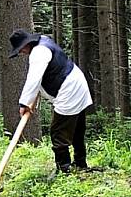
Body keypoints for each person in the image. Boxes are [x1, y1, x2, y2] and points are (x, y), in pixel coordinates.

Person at [9, 29, 93, 173]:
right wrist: (32, 101)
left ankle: (64, 169)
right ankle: (80, 163)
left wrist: (24, 103)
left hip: (69, 90)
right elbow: (43, 78)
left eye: (20, 50)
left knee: (58, 132)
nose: (21, 53)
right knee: (77, 129)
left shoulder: (39, 53)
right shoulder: (43, 41)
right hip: (77, 82)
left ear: (25, 45)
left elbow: (34, 79)